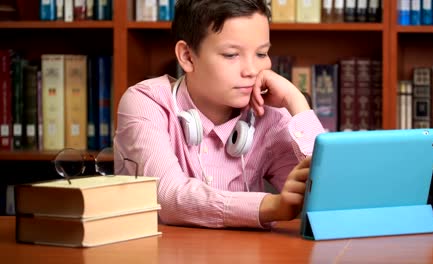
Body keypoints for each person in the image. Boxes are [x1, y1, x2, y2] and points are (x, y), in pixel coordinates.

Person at [114, 0, 325, 228]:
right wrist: (271, 206)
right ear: (187, 56)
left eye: (262, 53)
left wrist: (296, 102)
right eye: (231, 55)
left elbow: (328, 201)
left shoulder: (268, 115)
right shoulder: (146, 102)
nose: (252, 71)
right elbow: (168, 197)